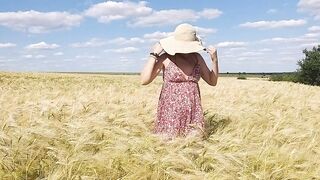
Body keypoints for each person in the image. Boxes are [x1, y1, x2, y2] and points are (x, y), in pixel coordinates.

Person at [140, 23, 219, 139]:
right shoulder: (165, 58)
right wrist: (153, 55)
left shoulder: (197, 57)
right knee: (168, 144)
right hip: (170, 113)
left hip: (193, 112)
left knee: (193, 146)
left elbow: (212, 81)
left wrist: (215, 60)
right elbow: (144, 80)